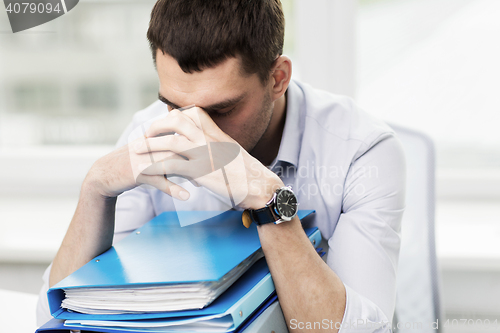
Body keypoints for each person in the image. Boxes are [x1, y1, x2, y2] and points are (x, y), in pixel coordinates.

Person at [36, 0, 406, 331]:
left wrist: (268, 199)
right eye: (173, 105)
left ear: (277, 78)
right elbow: (53, 316)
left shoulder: (362, 150)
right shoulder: (148, 136)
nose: (195, 131)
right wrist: (95, 188)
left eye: (221, 110)